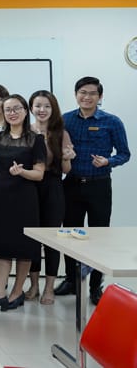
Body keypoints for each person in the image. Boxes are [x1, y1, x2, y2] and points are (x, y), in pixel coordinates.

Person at [55, 77, 130, 305]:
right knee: (70, 234)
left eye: (92, 93)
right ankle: (71, 279)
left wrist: (108, 161)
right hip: (72, 184)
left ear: (100, 96)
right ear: (76, 94)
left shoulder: (111, 122)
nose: (87, 97)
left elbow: (124, 154)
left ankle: (96, 285)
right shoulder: (65, 119)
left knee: (99, 236)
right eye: (82, 92)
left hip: (99, 185)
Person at [0, 95, 46, 313]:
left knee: (24, 246)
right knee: (2, 245)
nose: (12, 113)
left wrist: (22, 172)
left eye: (16, 108)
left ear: (25, 111)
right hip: (1, 197)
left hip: (25, 199)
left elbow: (39, 174)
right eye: (8, 109)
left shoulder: (35, 139)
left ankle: (17, 291)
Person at [24, 90, 74, 304]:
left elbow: (66, 170)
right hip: (29, 187)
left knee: (52, 239)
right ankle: (34, 285)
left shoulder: (60, 133)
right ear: (31, 108)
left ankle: (49, 287)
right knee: (32, 238)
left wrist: (67, 158)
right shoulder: (25, 131)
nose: (42, 110)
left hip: (52, 187)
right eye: (37, 106)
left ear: (53, 109)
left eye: (47, 106)